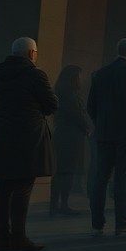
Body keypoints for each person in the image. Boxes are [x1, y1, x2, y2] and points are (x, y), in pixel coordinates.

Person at [0, 37, 57, 251]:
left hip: (4, 135)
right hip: (29, 137)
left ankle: (2, 237)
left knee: (4, 188)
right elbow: (52, 103)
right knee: (23, 188)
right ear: (31, 53)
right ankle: (19, 237)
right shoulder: (35, 75)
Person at [86, 38, 126, 236]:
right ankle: (122, 224)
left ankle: (97, 223)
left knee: (100, 177)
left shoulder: (100, 74)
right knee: (123, 177)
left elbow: (91, 106)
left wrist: (101, 123)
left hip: (104, 132)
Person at [50, 65, 91, 216]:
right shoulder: (70, 93)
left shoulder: (62, 90)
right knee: (67, 170)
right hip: (71, 135)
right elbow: (77, 114)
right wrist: (88, 126)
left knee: (62, 170)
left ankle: (56, 205)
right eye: (80, 75)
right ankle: (62, 205)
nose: (82, 78)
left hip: (64, 133)